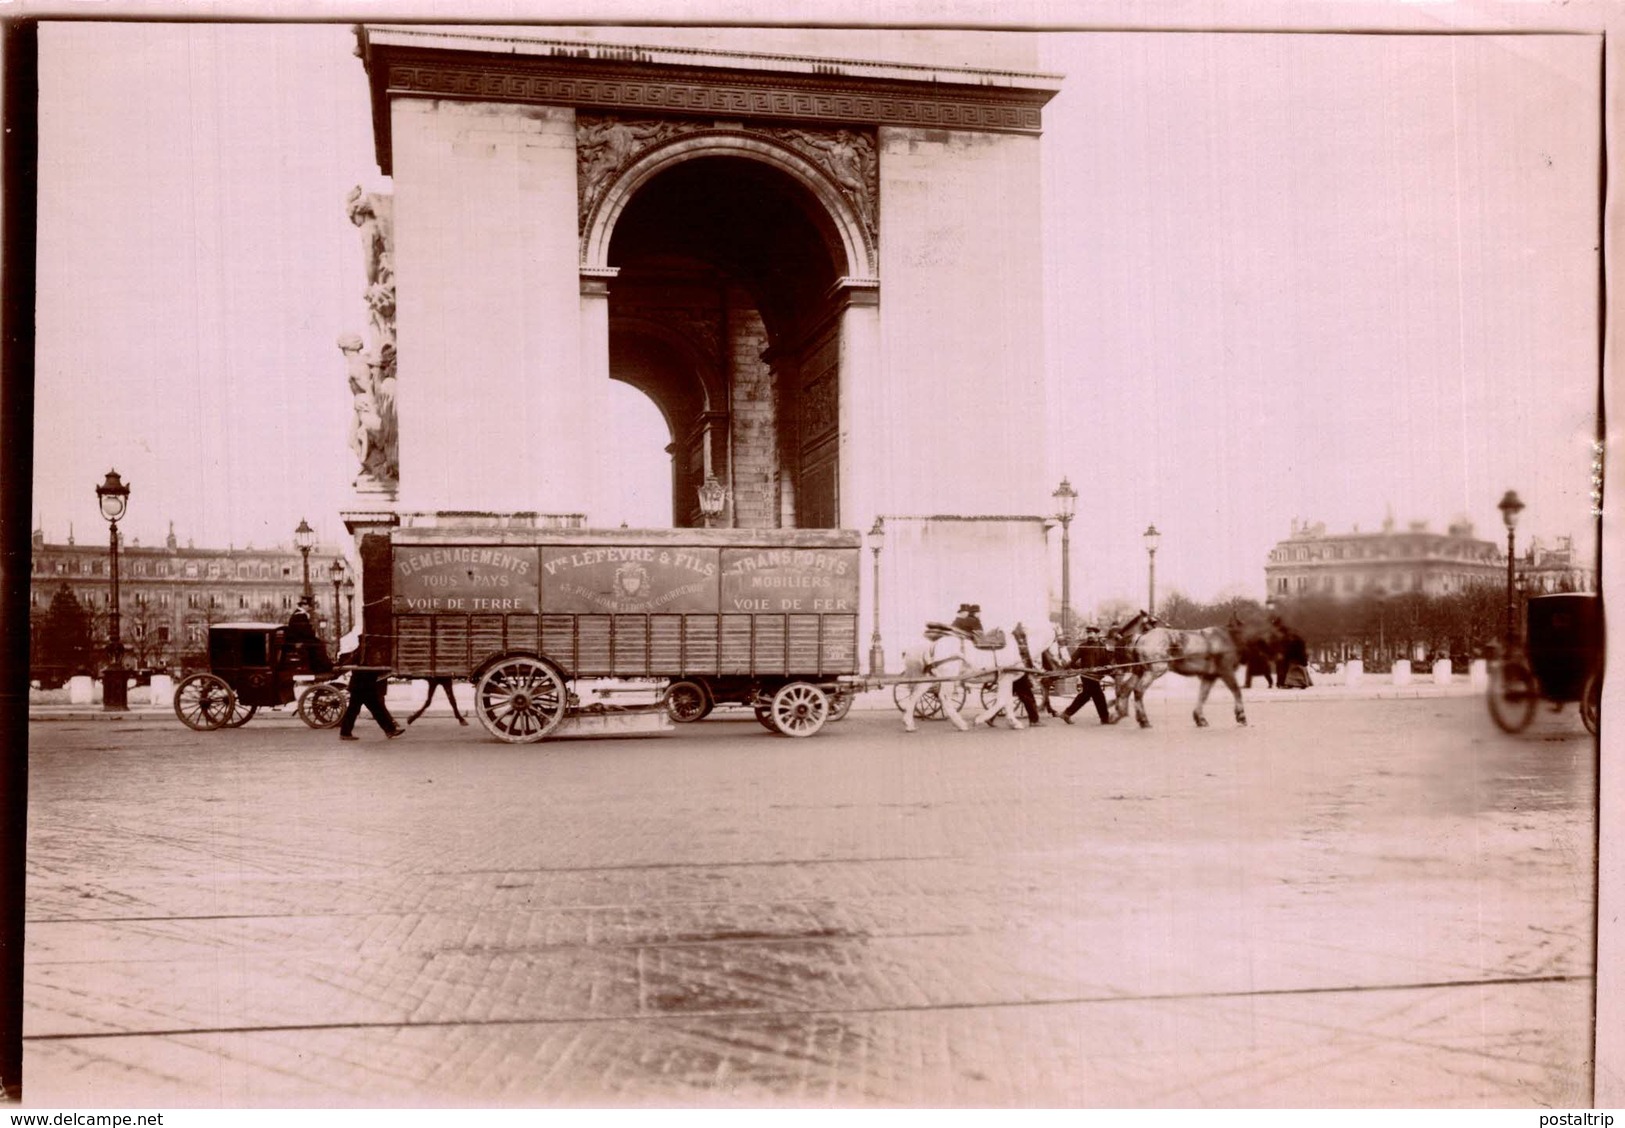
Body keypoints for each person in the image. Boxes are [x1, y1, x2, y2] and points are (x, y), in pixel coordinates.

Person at [335, 633, 402, 741]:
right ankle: (389, 730)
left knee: (373, 709)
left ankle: (390, 730)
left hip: (365, 686)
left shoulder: (363, 652)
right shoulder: (362, 653)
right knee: (362, 709)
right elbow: (349, 663)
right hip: (361, 686)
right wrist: (338, 670)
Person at [1062, 624, 1117, 725]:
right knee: (1098, 695)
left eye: (1091, 633)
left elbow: (1105, 661)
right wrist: (1074, 668)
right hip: (1087, 675)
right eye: (1088, 633)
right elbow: (1072, 660)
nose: (1089, 635)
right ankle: (1104, 719)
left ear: (1097, 634)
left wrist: (1109, 667)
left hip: (1096, 676)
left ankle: (1067, 713)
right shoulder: (1083, 646)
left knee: (1086, 695)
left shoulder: (1102, 646)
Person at [1010, 622, 1044, 726]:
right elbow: (1025, 655)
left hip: (1016, 670)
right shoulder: (1020, 639)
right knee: (1028, 696)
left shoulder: (1015, 637)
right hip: (1019, 671)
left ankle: (991, 717)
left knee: (1005, 696)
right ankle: (1034, 720)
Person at [284, 608, 332, 674]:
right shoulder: (300, 616)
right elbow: (305, 631)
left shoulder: (296, 616)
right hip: (301, 641)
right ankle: (321, 666)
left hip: (299, 640)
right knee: (317, 645)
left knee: (316, 644)